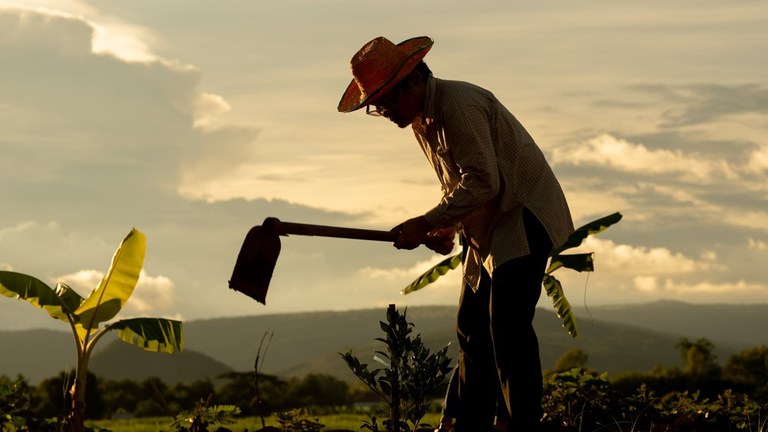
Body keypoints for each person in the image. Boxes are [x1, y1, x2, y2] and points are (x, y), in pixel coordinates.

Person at [338, 36, 575, 432]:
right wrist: (446, 224)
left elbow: (484, 182)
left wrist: (426, 221)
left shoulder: (459, 105)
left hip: (522, 216)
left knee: (508, 327)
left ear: (412, 82)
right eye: (376, 106)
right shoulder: (422, 120)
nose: (382, 111)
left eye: (385, 101)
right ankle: (466, 422)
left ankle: (518, 424)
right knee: (471, 325)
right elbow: (459, 184)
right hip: (489, 228)